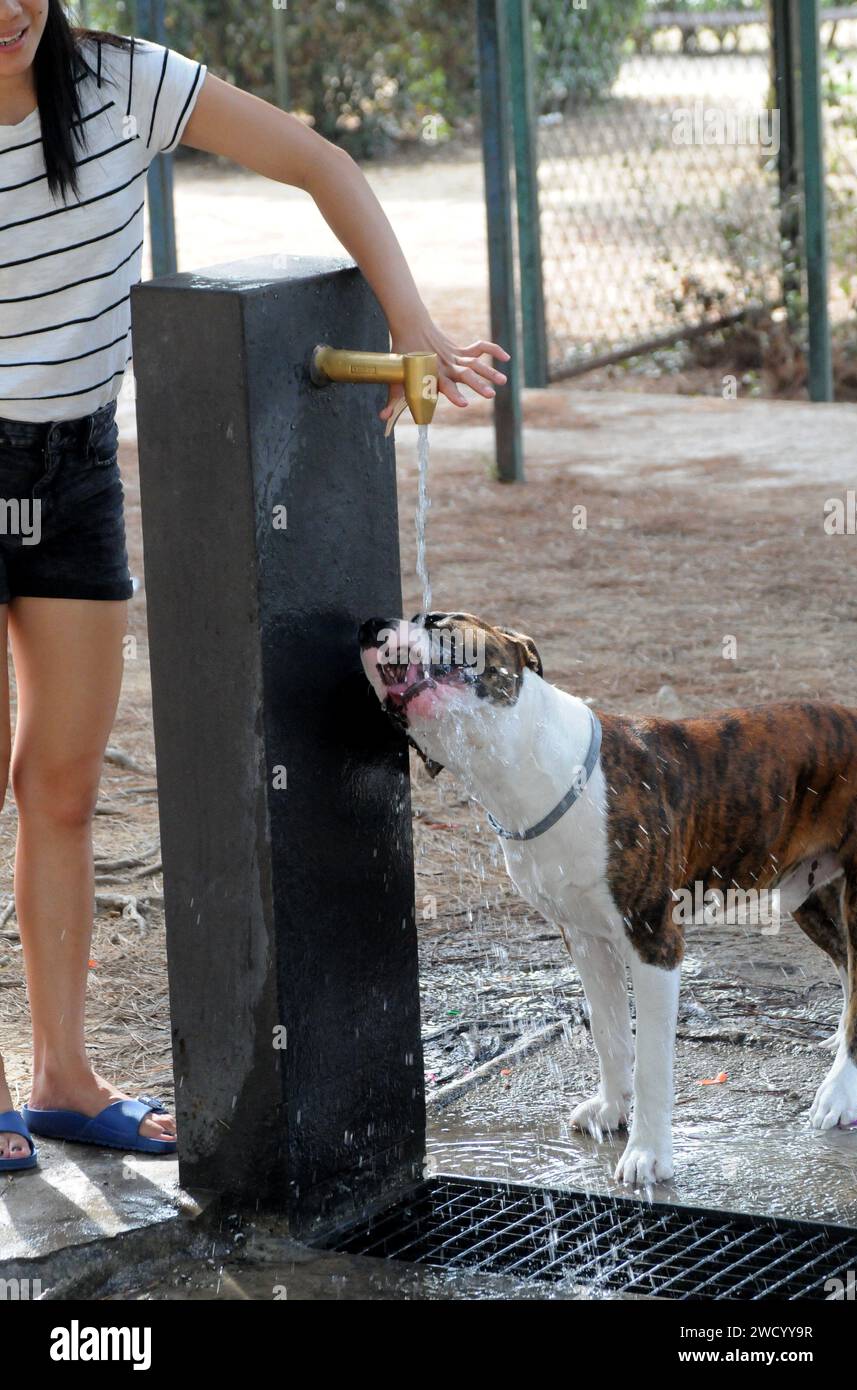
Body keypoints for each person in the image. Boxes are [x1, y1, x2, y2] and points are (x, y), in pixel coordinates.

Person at [0, 0, 509, 1168]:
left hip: (72, 468)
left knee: (63, 786)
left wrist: (412, 319)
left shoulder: (125, 83)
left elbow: (319, 162)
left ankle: (64, 1075)